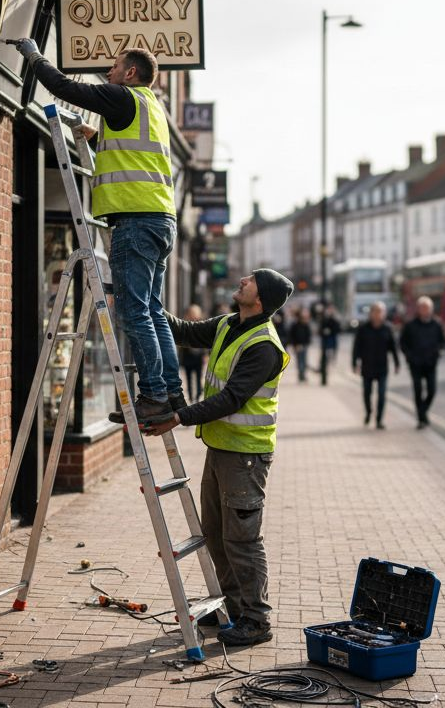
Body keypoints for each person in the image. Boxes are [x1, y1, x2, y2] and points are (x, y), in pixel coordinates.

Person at [14, 39, 181, 425]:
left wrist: (35, 55)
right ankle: (171, 391)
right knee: (153, 311)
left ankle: (153, 396)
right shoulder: (150, 107)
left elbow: (65, 88)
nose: (109, 72)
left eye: (115, 66)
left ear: (131, 73)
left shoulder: (122, 97)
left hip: (135, 220)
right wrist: (97, 136)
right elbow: (129, 151)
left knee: (135, 311)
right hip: (160, 219)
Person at [142, 269, 294, 647]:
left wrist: (177, 417)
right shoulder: (230, 323)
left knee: (242, 538)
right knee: (214, 532)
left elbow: (231, 399)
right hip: (223, 448)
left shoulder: (264, 346)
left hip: (246, 456)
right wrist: (144, 304)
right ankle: (234, 606)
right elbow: (186, 331)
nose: (243, 279)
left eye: (252, 279)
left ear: (260, 300)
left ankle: (257, 620)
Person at [352, 302, 400, 429]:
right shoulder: (363, 329)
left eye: (381, 311)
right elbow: (356, 347)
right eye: (376, 311)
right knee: (367, 393)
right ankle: (368, 412)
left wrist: (397, 363)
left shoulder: (388, 328)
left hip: (382, 367)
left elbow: (393, 348)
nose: (378, 314)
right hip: (367, 367)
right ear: (371, 313)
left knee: (382, 394)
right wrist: (354, 363)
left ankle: (379, 420)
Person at [400, 296, 445, 428]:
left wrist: (439, 352)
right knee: (418, 390)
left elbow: (442, 342)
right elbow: (403, 343)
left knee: (432, 391)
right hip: (415, 364)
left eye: (427, 308)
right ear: (418, 309)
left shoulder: (437, 325)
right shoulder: (410, 325)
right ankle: (421, 418)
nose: (425, 310)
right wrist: (409, 356)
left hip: (431, 363)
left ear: (431, 310)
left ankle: (422, 412)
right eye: (422, 308)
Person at [180, 304, 206, 401]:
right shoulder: (185, 324)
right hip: (188, 357)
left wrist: (205, 355)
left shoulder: (201, 324)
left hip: (197, 357)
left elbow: (204, 342)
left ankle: (198, 394)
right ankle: (191, 396)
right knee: (189, 379)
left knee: (198, 378)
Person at [288, 308, 314, 383]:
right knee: (300, 361)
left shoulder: (306, 324)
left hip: (304, 345)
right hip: (298, 345)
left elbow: (308, 335)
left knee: (304, 360)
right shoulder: (295, 325)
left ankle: (302, 375)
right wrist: (295, 345)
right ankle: (301, 375)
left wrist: (307, 343)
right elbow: (292, 335)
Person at [318, 304, 342, 384]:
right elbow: (320, 330)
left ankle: (328, 371)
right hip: (325, 343)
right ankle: (324, 374)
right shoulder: (324, 319)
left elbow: (338, 329)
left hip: (332, 342)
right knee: (325, 359)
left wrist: (330, 331)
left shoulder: (335, 319)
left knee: (330, 358)